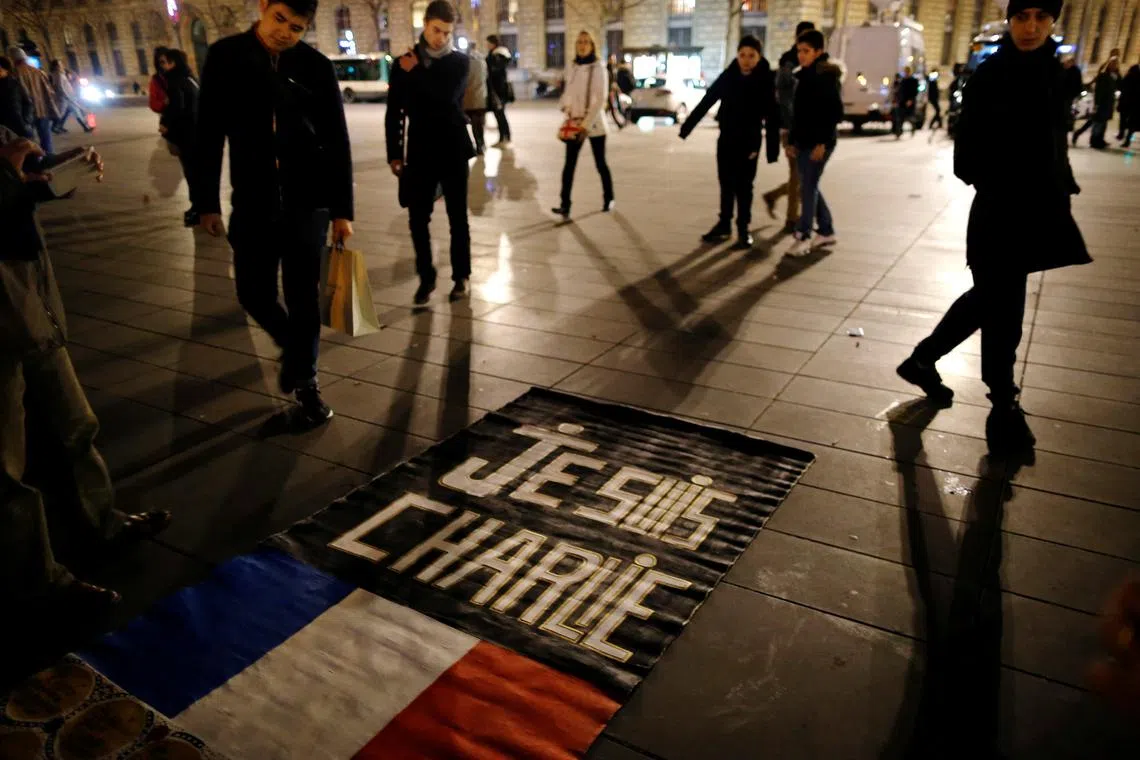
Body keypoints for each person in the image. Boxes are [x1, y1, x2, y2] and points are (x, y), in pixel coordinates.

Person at [896, 0, 1090, 455]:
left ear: (1052, 22)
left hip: (1037, 212)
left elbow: (1052, 144)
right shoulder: (990, 76)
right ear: (1010, 19)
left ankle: (925, 361)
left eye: (1041, 18)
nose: (1030, 27)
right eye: (1022, 16)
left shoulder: (1054, 74)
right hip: (1000, 212)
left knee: (995, 301)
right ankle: (1002, 403)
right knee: (1003, 307)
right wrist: (1010, 180)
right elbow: (966, 159)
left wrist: (1059, 184)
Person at [0, 127, 172, 615]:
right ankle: (37, 583)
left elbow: (18, 177)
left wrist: (51, 173)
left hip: (25, 290)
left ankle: (100, 526)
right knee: (5, 467)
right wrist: (8, 175)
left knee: (73, 424)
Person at [197, 0, 354, 427]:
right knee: (252, 291)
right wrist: (205, 201)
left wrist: (343, 210)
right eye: (279, 19)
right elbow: (208, 132)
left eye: (297, 27)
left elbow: (337, 140)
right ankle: (295, 350)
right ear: (263, 7)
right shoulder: (227, 56)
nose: (284, 31)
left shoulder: (315, 66)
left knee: (304, 297)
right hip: (252, 198)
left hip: (309, 202)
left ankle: (308, 390)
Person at [387, 0, 474, 305]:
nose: (441, 38)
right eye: (437, 30)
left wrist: (417, 72)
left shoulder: (460, 62)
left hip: (452, 148)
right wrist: (394, 153)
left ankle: (461, 276)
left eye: (447, 32)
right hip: (420, 150)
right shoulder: (402, 63)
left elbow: (444, 99)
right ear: (424, 24)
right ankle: (426, 277)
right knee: (416, 218)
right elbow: (395, 111)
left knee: (457, 218)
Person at [680, 35, 780, 250]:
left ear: (759, 57)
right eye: (742, 55)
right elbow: (709, 99)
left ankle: (743, 228)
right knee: (726, 184)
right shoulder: (729, 75)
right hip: (726, 140)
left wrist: (772, 150)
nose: (746, 60)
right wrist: (687, 127)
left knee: (744, 187)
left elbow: (772, 115)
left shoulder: (764, 79)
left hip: (749, 143)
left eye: (751, 56)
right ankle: (724, 224)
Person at [785, 29, 843, 257]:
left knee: (807, 186)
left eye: (806, 51)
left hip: (820, 143)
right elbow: (798, 115)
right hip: (803, 141)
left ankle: (803, 235)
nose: (801, 55)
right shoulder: (805, 75)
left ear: (819, 51)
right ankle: (826, 230)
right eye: (799, 50)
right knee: (810, 186)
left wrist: (822, 143)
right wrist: (792, 141)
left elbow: (834, 113)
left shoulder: (826, 77)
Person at [552, 31, 614, 220]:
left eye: (586, 42)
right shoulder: (572, 66)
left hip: (593, 124)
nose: (582, 45)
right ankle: (565, 204)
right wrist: (564, 105)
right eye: (579, 42)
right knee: (569, 165)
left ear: (592, 45)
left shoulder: (598, 67)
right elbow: (569, 91)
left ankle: (608, 196)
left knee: (600, 163)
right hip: (574, 121)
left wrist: (586, 124)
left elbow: (600, 98)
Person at [762, 20, 814, 232]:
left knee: (802, 174)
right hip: (791, 127)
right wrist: (789, 128)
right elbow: (785, 98)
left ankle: (774, 197)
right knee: (797, 174)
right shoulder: (789, 63)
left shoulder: (812, 62)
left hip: (805, 127)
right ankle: (792, 219)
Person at [158, 49, 201, 227]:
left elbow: (177, 109)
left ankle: (198, 210)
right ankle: (200, 208)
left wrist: (165, 125)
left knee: (193, 174)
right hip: (197, 134)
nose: (163, 66)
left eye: (165, 62)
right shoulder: (191, 78)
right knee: (197, 174)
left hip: (187, 137)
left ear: (173, 63)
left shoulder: (176, 82)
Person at [7, 46, 59, 153]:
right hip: (42, 111)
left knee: (29, 142)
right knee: (46, 139)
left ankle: (36, 164)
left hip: (25, 114)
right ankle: (49, 161)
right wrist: (52, 109)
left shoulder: (13, 74)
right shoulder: (38, 72)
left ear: (13, 59)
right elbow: (49, 93)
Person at [1073, 57, 1120, 149]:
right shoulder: (1103, 75)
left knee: (1100, 121)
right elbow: (1099, 91)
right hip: (1102, 103)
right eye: (1113, 63)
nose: (1115, 65)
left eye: (1116, 64)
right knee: (1097, 122)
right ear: (1109, 64)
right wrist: (1097, 104)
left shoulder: (1114, 75)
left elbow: (1118, 85)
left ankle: (1098, 139)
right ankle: (1093, 140)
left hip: (1108, 103)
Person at [49, 60, 91, 135]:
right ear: (56, 66)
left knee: (75, 111)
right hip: (64, 97)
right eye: (60, 64)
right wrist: (66, 96)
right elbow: (60, 86)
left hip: (69, 96)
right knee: (61, 113)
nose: (62, 65)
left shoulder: (61, 74)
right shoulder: (58, 74)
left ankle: (85, 127)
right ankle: (54, 126)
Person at [486, 34, 513, 147]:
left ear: (493, 43)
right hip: (498, 89)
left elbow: (495, 71)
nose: (487, 45)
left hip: (498, 90)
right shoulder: (498, 55)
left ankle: (504, 138)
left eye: (488, 43)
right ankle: (504, 137)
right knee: (500, 115)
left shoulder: (497, 55)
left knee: (500, 115)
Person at [0, 56, 34, 140]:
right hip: (4, 131)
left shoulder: (16, 84)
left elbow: (28, 103)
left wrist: (26, 121)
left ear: (6, 69)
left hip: (22, 128)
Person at [463, 43, 488, 155]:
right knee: (480, 123)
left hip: (469, 98)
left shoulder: (464, 63)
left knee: (474, 123)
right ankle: (482, 143)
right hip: (481, 97)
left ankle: (478, 144)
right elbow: (486, 77)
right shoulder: (482, 62)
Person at [894, 66, 920, 139]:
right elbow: (900, 91)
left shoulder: (914, 80)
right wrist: (897, 100)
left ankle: (913, 128)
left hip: (910, 102)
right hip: (902, 101)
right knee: (900, 118)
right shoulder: (903, 80)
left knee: (910, 118)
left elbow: (915, 91)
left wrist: (911, 100)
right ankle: (899, 133)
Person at [1061, 55, 1084, 132]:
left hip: (1070, 95)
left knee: (1070, 111)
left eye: (1069, 62)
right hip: (1063, 95)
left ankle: (1069, 125)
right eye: (1067, 62)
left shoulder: (1076, 71)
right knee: (1066, 111)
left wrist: (1077, 94)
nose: (1067, 64)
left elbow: (1078, 83)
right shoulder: (1062, 70)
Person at [1118, 64, 1139, 147]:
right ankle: (1124, 136)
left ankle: (1124, 137)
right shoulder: (1134, 72)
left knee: (1128, 121)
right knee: (1127, 121)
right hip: (1131, 102)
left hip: (1131, 103)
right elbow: (1123, 85)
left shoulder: (1130, 74)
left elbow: (1122, 86)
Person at [149, 47, 170, 115]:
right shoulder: (156, 80)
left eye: (168, 60)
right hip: (169, 119)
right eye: (162, 62)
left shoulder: (181, 75)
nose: (166, 64)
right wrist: (165, 102)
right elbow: (153, 103)